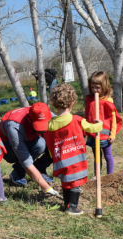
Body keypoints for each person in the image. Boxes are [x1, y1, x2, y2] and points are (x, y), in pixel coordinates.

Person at [45, 83, 103, 215]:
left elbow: (48, 142)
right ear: (72, 103)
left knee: (66, 183)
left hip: (60, 162)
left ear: (54, 103)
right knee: (75, 184)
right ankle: (72, 207)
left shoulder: (50, 124)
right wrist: (99, 124)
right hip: (75, 162)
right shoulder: (77, 120)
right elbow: (93, 129)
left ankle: (67, 204)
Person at [0, 102, 60, 196]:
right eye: (38, 127)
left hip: (29, 139)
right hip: (9, 149)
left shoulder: (47, 113)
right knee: (40, 144)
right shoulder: (14, 126)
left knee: (57, 143)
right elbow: (25, 160)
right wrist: (47, 188)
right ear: (29, 120)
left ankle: (40, 168)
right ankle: (18, 172)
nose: (42, 130)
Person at [84, 71, 122, 177]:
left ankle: (110, 176)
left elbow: (113, 119)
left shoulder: (108, 100)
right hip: (93, 134)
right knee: (97, 157)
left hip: (105, 135)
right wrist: (84, 130)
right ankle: (97, 175)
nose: (95, 90)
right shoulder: (89, 99)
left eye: (97, 87)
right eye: (93, 87)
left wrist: (112, 134)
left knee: (108, 156)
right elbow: (87, 115)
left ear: (104, 87)